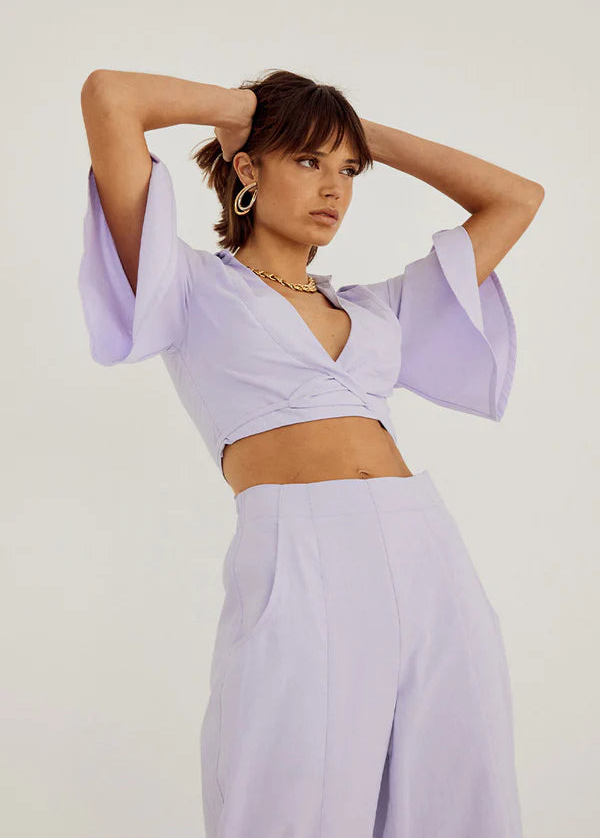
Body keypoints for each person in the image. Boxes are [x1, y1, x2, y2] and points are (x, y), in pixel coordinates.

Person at [78, 67, 544, 837]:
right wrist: (250, 112)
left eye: (349, 169)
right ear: (247, 169)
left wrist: (354, 132)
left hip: (426, 550)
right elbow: (110, 97)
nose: (335, 188)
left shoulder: (377, 308)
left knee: (459, 793)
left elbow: (517, 198)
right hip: (299, 550)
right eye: (306, 160)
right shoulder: (189, 285)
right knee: (290, 798)